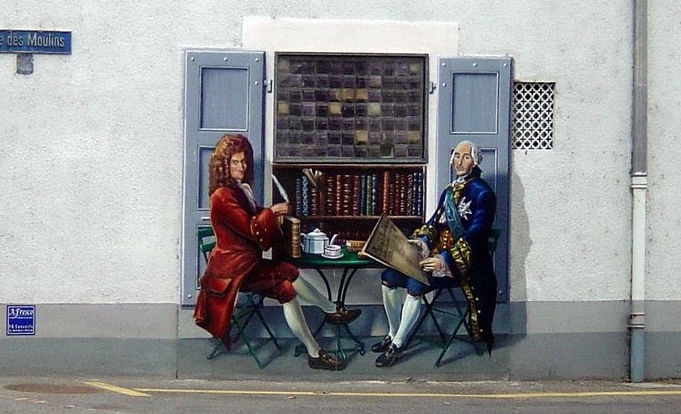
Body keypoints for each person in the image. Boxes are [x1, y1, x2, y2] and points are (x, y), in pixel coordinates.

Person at [194, 134, 360, 371]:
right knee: (289, 271)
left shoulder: (238, 191)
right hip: (232, 273)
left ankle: (316, 351)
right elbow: (251, 228)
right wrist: (272, 212)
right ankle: (331, 312)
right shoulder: (222, 197)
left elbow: (253, 216)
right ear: (224, 165)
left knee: (286, 287)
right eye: (235, 162)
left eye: (244, 161)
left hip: (244, 266)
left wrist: (271, 213)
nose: (242, 166)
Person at [373, 140, 498, 367]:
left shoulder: (483, 193)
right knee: (388, 278)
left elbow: (477, 235)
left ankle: (399, 344)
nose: (460, 162)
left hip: (461, 266)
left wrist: (444, 260)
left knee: (415, 285)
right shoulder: (449, 191)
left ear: (475, 161)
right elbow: (433, 225)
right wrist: (420, 243)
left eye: (466, 157)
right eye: (457, 156)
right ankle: (392, 333)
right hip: (433, 259)